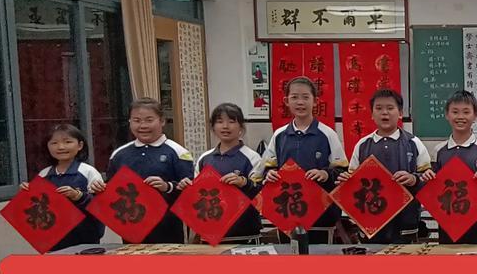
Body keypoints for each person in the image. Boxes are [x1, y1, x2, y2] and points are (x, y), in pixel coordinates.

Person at [92, 98, 194, 244]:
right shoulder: (119, 154)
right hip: (131, 231)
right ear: (130, 122)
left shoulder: (178, 152)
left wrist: (167, 186)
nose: (143, 125)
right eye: (137, 120)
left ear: (162, 121)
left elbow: (190, 192)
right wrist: (99, 188)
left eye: (149, 120)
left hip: (168, 231)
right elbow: (111, 191)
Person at [257, 77, 347, 237]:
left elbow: (343, 172)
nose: (300, 102)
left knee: (321, 252)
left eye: (305, 97)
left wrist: (325, 174)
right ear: (286, 101)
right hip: (287, 215)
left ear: (315, 101)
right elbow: (266, 169)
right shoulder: (279, 135)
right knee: (289, 252)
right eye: (294, 97)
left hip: (321, 217)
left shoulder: (328, 134)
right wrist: (269, 174)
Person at [338, 89, 432, 243]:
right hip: (371, 221)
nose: (384, 113)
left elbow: (428, 180)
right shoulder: (362, 145)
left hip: (405, 221)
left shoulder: (413, 143)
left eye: (390, 108)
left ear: (400, 113)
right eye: (379, 108)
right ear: (372, 114)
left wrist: (414, 179)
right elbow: (353, 181)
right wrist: (346, 181)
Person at [180, 103, 263, 241]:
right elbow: (197, 195)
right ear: (213, 127)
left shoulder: (252, 158)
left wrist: (243, 182)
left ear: (241, 127)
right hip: (210, 234)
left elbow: (261, 195)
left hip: (244, 234)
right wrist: (187, 187)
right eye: (219, 122)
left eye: (231, 121)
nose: (225, 126)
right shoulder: (205, 158)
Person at [423, 90, 477, 244]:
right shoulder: (439, 151)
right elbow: (433, 188)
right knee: (447, 256)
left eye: (466, 112)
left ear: (475, 115)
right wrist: (427, 177)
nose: (460, 117)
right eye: (455, 112)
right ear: (447, 115)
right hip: (447, 219)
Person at [20, 124, 106, 251]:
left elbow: (101, 207)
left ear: (80, 145)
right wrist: (26, 192)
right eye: (54, 143)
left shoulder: (88, 172)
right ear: (47, 146)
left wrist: (78, 196)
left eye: (67, 142)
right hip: (53, 241)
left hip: (86, 240)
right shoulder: (44, 175)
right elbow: (37, 208)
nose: (61, 147)